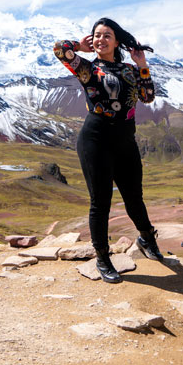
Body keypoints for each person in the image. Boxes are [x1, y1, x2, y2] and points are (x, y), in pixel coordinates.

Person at [53, 17, 160, 284]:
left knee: (134, 197)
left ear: (116, 41)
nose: (101, 39)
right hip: (95, 140)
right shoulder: (86, 68)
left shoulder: (130, 70)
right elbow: (59, 49)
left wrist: (142, 65)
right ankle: (102, 257)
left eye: (106, 35)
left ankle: (147, 239)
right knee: (100, 203)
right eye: (97, 35)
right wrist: (79, 46)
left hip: (125, 141)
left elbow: (148, 97)